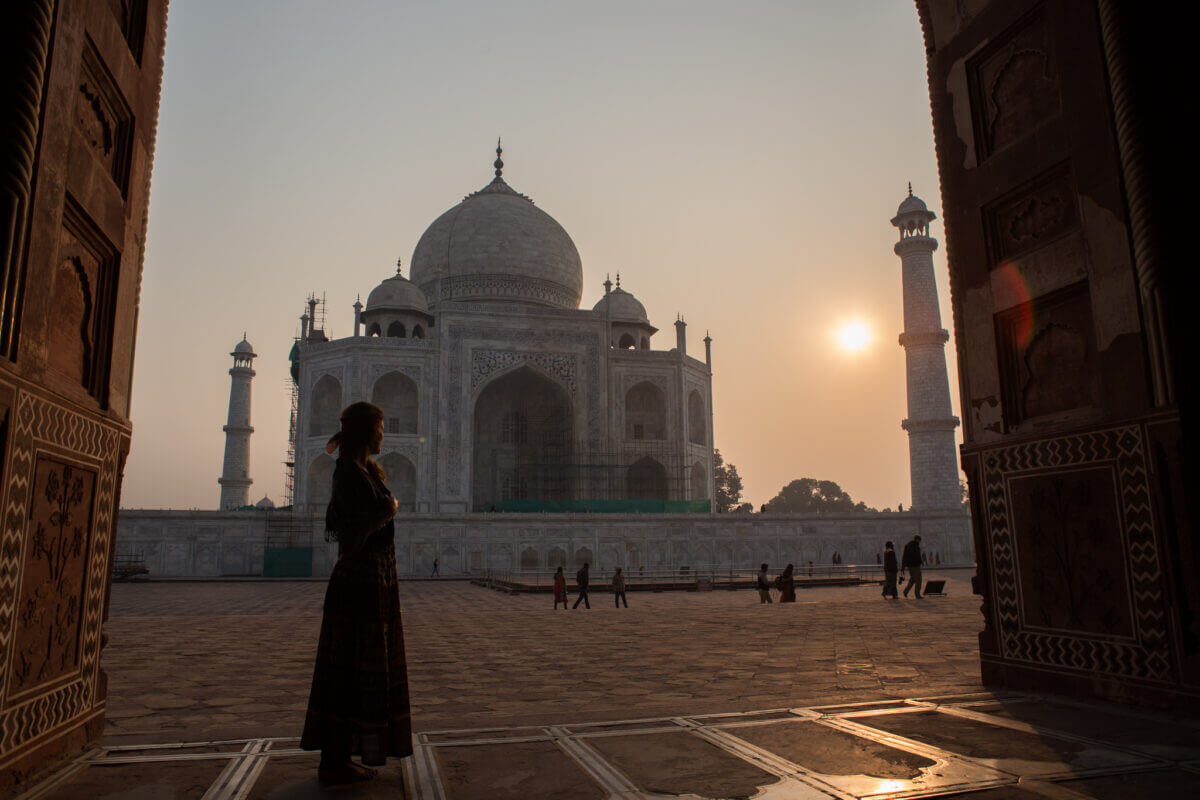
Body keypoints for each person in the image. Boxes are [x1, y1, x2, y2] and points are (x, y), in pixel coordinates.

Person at [301, 402, 411, 784]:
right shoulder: (347, 473)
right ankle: (333, 760)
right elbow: (349, 531)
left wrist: (387, 507)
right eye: (379, 429)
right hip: (357, 583)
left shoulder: (365, 471)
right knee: (348, 669)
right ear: (366, 432)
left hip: (374, 582)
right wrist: (389, 507)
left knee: (366, 670)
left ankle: (342, 756)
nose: (384, 435)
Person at [901, 534, 923, 599]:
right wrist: (919, 562)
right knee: (918, 580)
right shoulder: (915, 546)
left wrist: (903, 566)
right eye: (919, 540)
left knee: (913, 579)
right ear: (917, 539)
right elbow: (915, 556)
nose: (919, 542)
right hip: (915, 565)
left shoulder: (908, 545)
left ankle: (906, 591)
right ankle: (917, 594)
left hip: (910, 566)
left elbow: (904, 556)